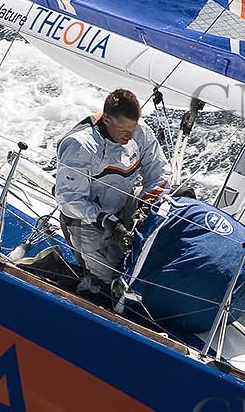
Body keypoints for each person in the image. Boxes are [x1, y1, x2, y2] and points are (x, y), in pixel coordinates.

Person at [55, 88, 169, 299]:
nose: (130, 135)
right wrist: (108, 222)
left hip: (124, 204)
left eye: (133, 128)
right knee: (109, 283)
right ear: (106, 119)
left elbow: (159, 172)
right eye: (124, 129)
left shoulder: (140, 132)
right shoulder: (80, 146)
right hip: (87, 220)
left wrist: (145, 206)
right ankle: (84, 281)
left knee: (172, 208)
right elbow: (69, 200)